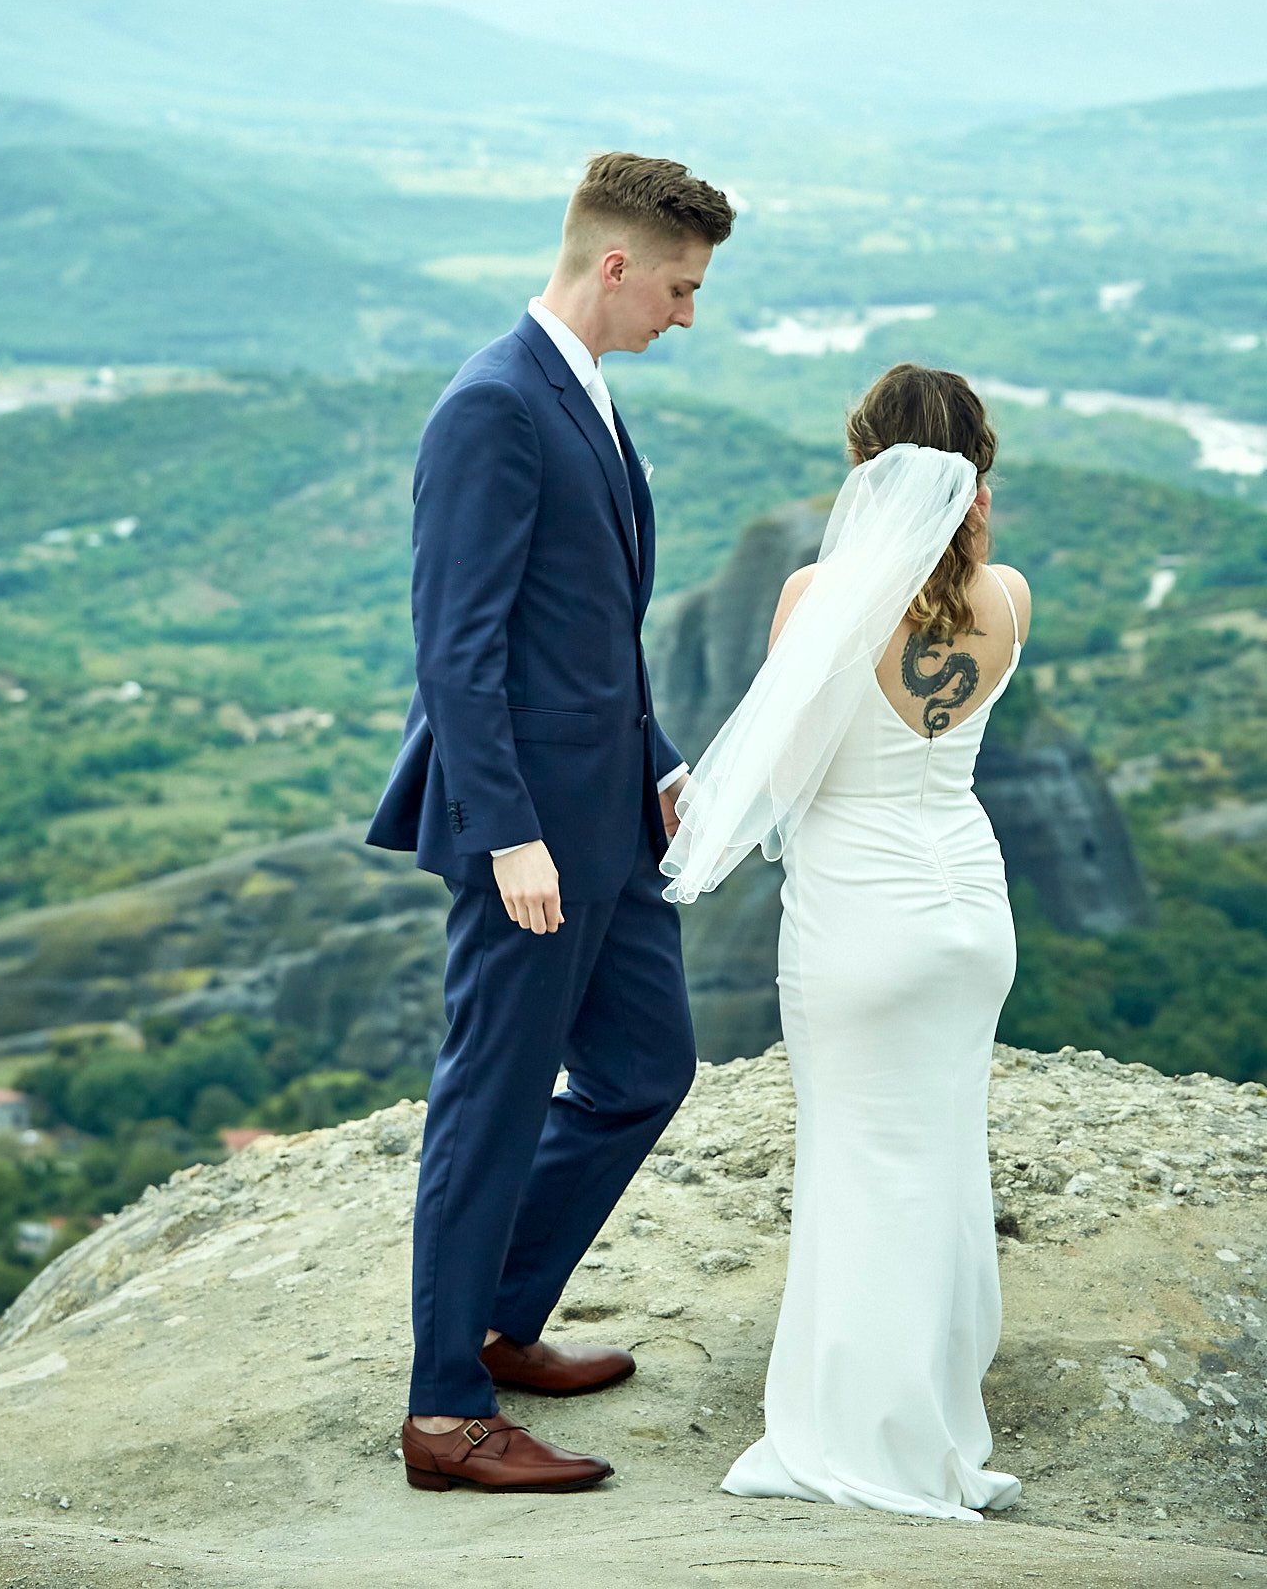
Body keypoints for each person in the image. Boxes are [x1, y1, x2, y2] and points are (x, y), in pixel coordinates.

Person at [368, 151, 734, 1494]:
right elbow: (456, 651)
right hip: (531, 841)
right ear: (617, 263)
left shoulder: (587, 395)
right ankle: (446, 1414)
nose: (687, 316)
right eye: (682, 290)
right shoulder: (493, 406)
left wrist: (660, 760)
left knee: (646, 1070)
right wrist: (510, 834)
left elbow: (589, 637)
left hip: (613, 820)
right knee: (494, 1103)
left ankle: (496, 1315)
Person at [663, 364, 1029, 1522]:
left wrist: (684, 808)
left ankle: (863, 1441)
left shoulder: (822, 593)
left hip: (861, 915)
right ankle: (941, 1424)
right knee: (940, 1163)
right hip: (969, 908)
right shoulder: (1009, 596)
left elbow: (784, 775)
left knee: (859, 1171)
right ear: (976, 476)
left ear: (864, 468)